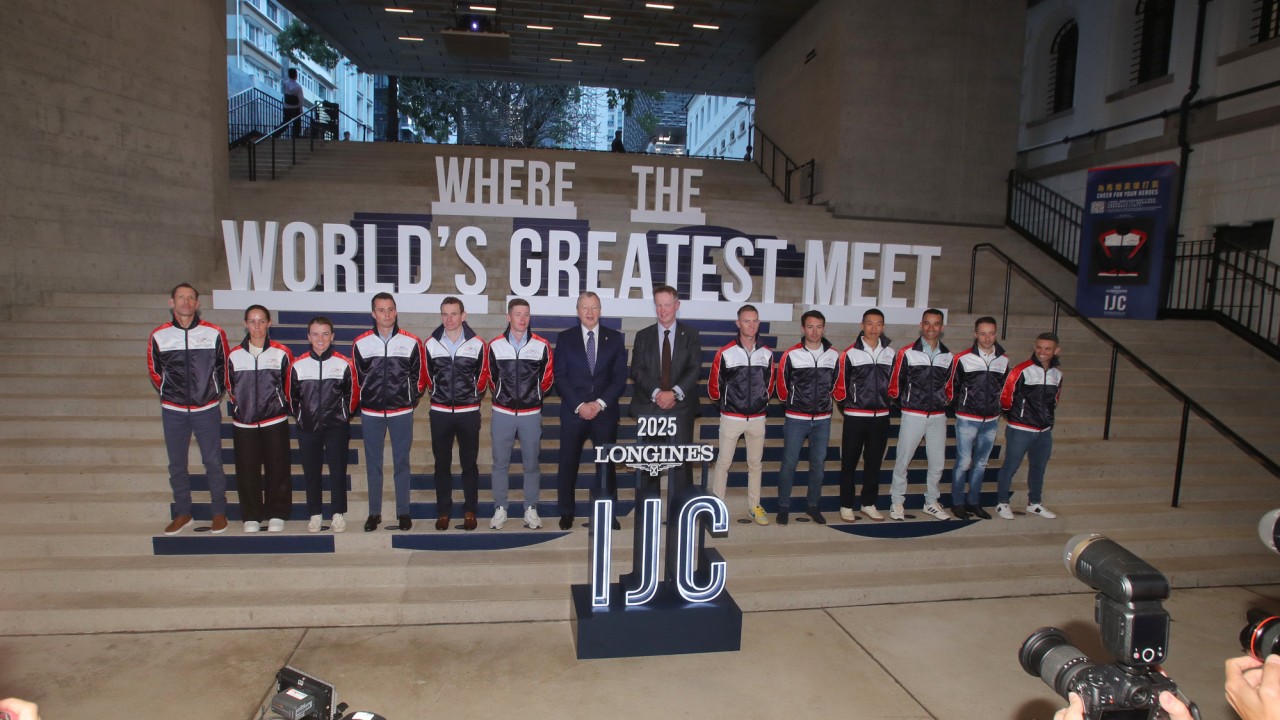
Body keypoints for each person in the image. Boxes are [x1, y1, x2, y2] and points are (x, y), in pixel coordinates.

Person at [147, 283, 231, 536]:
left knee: (213, 462)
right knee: (177, 464)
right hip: (173, 410)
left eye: (190, 298)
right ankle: (183, 513)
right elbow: (154, 370)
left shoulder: (214, 333)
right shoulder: (159, 335)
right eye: (181, 298)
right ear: (171, 302)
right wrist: (170, 394)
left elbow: (223, 367)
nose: (186, 302)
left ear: (197, 303)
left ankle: (219, 512)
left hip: (206, 408)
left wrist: (211, 394)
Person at [352, 293, 426, 532]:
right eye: (381, 310)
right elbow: (356, 378)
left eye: (390, 309)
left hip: (401, 411)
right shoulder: (361, 343)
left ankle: (403, 512)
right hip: (371, 412)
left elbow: (419, 377)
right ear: (373, 314)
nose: (386, 314)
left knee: (401, 463)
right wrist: (366, 398)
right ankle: (375, 513)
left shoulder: (411, 341)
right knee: (373, 464)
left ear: (396, 311)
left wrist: (409, 397)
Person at [554, 292, 628, 531]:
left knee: (606, 466)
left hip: (604, 413)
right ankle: (566, 512)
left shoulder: (615, 339)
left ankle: (608, 512)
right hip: (573, 412)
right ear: (578, 311)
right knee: (568, 464)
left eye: (594, 307)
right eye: (585, 308)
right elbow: (560, 377)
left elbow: (619, 378)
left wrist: (599, 404)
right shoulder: (565, 339)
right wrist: (580, 405)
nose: (589, 312)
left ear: (600, 310)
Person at [486, 298, 554, 530]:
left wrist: (532, 395)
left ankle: (531, 508)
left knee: (532, 463)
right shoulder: (495, 346)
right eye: (518, 314)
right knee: (500, 463)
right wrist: (504, 396)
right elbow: (491, 379)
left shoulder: (541, 345)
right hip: (502, 411)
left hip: (530, 413)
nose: (522, 319)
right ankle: (500, 508)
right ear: (509, 317)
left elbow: (547, 379)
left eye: (526, 314)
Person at [630, 285, 702, 501]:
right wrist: (657, 394)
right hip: (650, 407)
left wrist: (674, 393)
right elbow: (637, 369)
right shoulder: (643, 336)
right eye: (659, 305)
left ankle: (680, 513)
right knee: (649, 463)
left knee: (680, 464)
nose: (663, 310)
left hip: (680, 408)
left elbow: (695, 368)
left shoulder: (691, 334)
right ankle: (647, 512)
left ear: (677, 306)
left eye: (667, 305)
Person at [226, 305, 294, 533]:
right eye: (252, 321)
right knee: (247, 470)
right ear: (245, 324)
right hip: (244, 423)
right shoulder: (234, 355)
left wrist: (278, 405)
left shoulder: (282, 353)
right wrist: (242, 407)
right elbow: (230, 387)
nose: (257, 326)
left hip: (274, 420)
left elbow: (289, 386)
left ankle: (277, 512)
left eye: (261, 321)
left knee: (278, 468)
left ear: (269, 323)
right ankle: (251, 515)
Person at [424, 296, 488, 531]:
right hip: (440, 412)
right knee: (442, 464)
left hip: (468, 412)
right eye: (445, 314)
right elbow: (427, 376)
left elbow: (482, 378)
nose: (449, 319)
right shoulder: (430, 344)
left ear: (464, 315)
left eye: (453, 313)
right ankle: (444, 511)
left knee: (469, 464)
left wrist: (471, 395)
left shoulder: (478, 344)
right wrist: (437, 394)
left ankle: (470, 510)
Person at [290, 317, 358, 533]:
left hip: (336, 426)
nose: (321, 339)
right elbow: (291, 397)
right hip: (307, 427)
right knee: (312, 472)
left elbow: (352, 395)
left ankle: (338, 513)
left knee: (338, 470)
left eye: (325, 334)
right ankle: (315, 514)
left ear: (333, 336)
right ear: (308, 336)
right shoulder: (298, 365)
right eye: (316, 334)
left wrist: (343, 416)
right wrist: (301, 417)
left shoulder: (344, 363)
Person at [708, 305, 775, 525]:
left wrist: (760, 402)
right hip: (732, 418)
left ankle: (754, 506)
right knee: (724, 462)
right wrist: (727, 406)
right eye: (747, 321)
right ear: (738, 323)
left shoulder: (766, 353)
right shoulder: (725, 352)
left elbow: (770, 384)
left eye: (755, 321)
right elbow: (713, 387)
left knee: (755, 464)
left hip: (757, 418)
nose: (751, 325)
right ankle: (717, 507)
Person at [887, 308, 955, 521]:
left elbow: (950, 385)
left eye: (936, 324)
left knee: (937, 463)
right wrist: (907, 404)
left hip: (937, 416)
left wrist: (943, 402)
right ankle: (897, 501)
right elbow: (895, 385)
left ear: (942, 328)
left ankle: (931, 502)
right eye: (927, 323)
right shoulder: (907, 353)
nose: (931, 328)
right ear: (921, 325)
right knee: (903, 460)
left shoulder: (948, 356)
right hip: (913, 414)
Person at [774, 310, 839, 525]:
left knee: (818, 465)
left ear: (824, 328)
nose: (814, 331)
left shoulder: (833, 355)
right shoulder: (791, 354)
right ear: (803, 329)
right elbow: (781, 387)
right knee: (789, 463)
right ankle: (783, 506)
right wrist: (794, 404)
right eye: (810, 326)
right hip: (796, 418)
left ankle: (813, 505)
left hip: (823, 419)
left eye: (819, 326)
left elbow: (836, 383)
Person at [833, 309, 895, 522]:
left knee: (874, 462)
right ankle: (846, 505)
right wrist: (850, 406)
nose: (874, 328)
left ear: (883, 327)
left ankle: (868, 503)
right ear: (862, 325)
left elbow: (895, 385)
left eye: (878, 324)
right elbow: (840, 388)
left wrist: (887, 403)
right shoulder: (849, 354)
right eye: (870, 323)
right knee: (849, 462)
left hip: (881, 417)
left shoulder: (890, 353)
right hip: (855, 416)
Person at [944, 316, 1008, 520]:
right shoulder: (962, 359)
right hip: (967, 418)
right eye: (982, 333)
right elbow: (951, 387)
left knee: (981, 464)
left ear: (995, 334)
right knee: (963, 462)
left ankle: (974, 502)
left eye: (991, 333)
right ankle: (957, 503)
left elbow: (1005, 388)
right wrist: (960, 407)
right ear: (975, 334)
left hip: (991, 420)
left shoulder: (1003, 360)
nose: (987, 338)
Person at [995, 332, 1062, 520]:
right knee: (1011, 466)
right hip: (1021, 429)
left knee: (1039, 467)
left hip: (1044, 431)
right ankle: (1002, 502)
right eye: (1039, 347)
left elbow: (1054, 400)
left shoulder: (1057, 374)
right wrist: (1016, 418)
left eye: (1047, 349)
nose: (1042, 352)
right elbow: (1005, 398)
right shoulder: (1021, 370)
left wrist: (1046, 420)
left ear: (1056, 351)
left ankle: (1035, 503)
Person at [282, 68, 304, 138]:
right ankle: (295, 137)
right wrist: (301, 109)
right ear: (296, 75)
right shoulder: (298, 87)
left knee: (285, 123)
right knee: (297, 124)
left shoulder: (285, 83)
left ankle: (275, 133)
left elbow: (285, 93)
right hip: (295, 107)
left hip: (287, 106)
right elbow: (300, 99)